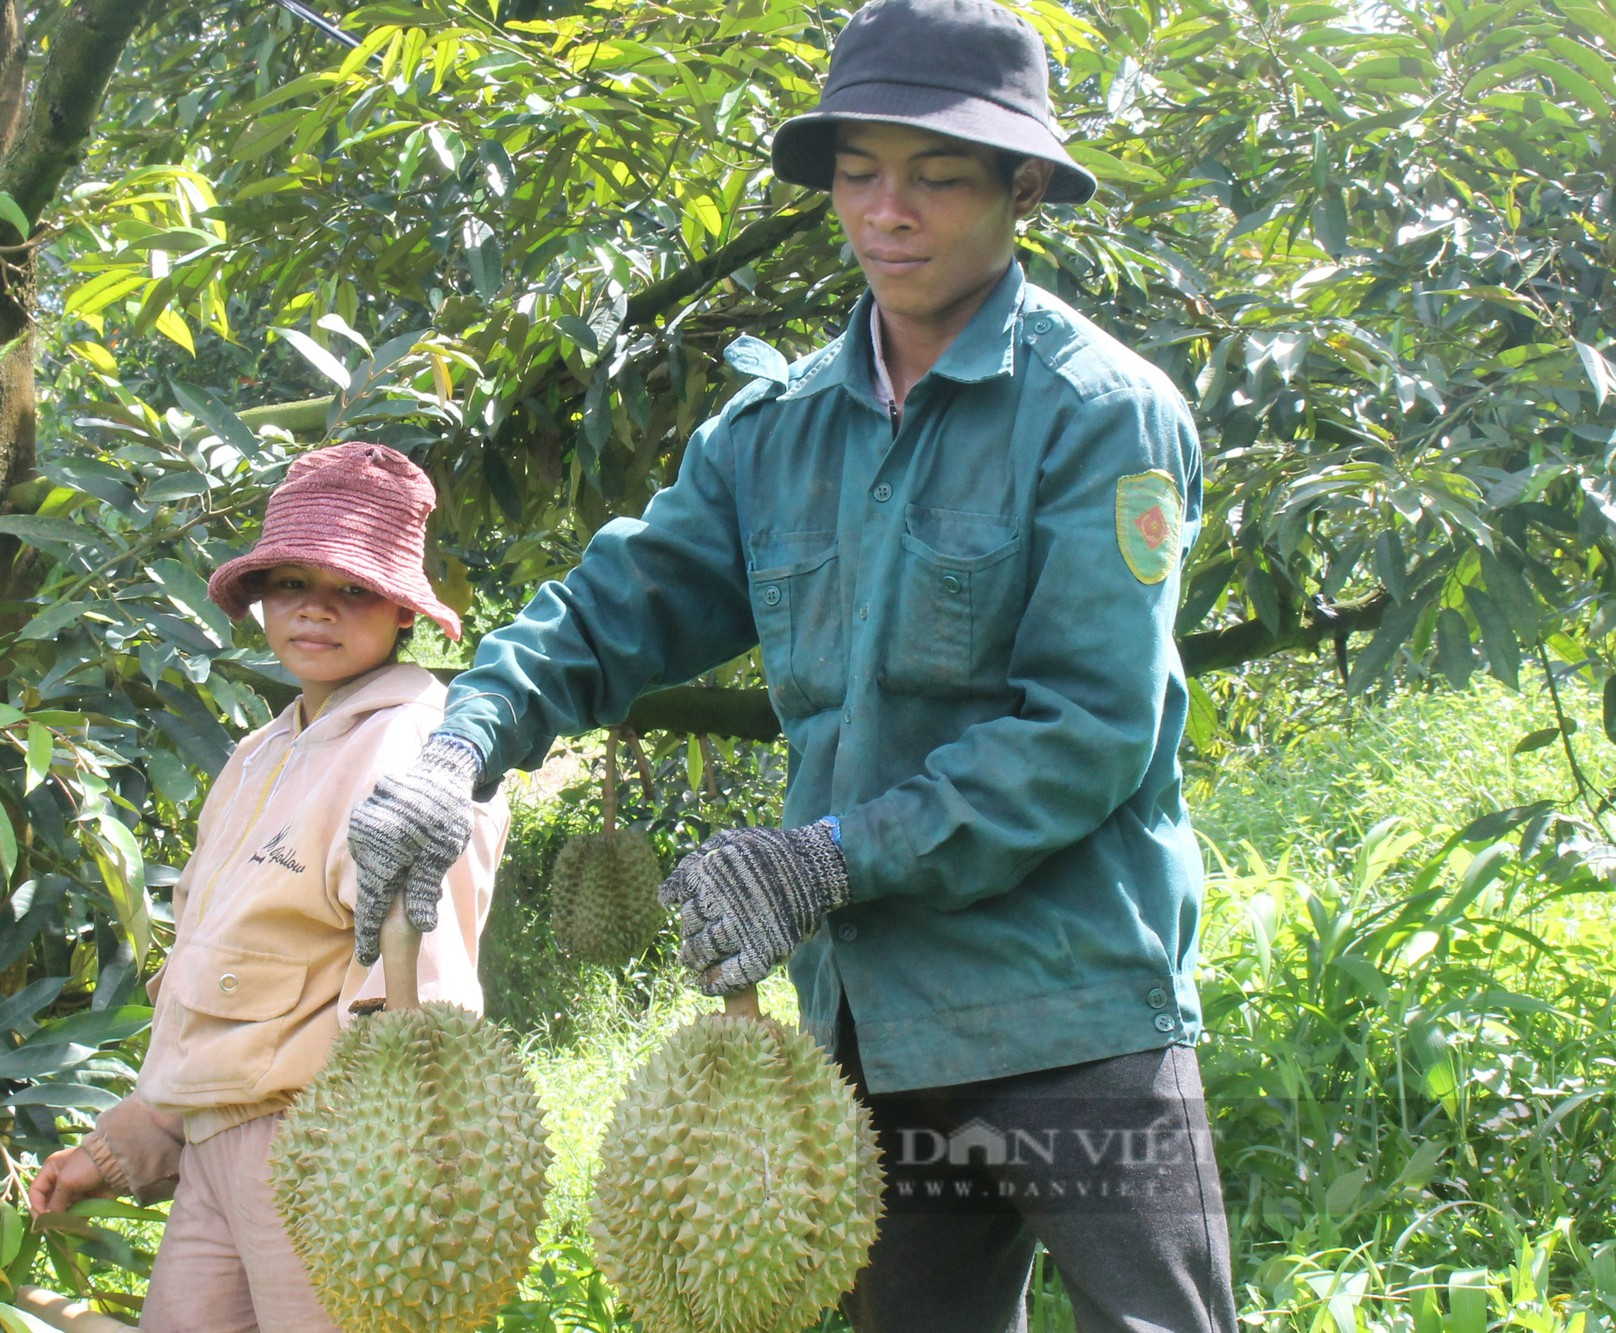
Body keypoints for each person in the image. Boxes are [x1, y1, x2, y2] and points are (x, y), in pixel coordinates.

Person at [344, 1, 1233, 1329]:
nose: (889, 211)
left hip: (1071, 1011)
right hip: (869, 1024)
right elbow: (611, 611)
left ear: (1023, 186)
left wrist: (824, 857)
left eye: (936, 175)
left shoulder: (1103, 415)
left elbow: (1089, 729)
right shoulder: (776, 432)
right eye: (860, 173)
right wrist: (459, 744)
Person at [28, 442, 509, 1333]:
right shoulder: (257, 755)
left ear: (403, 608)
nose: (316, 609)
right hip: (215, 1149)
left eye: (353, 588)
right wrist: (135, 1137)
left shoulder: (418, 749)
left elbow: (417, 983)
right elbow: (216, 985)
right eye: (291, 583)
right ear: (259, 599)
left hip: (328, 1146)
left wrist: (409, 1162)